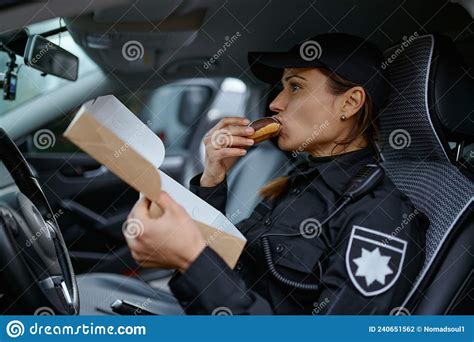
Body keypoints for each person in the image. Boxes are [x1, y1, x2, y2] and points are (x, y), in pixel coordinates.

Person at [123, 33, 428, 315]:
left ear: (349, 103)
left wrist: (191, 259)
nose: (275, 103)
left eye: (295, 87)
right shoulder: (296, 183)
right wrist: (213, 179)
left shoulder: (380, 217)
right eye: (282, 88)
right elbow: (232, 266)